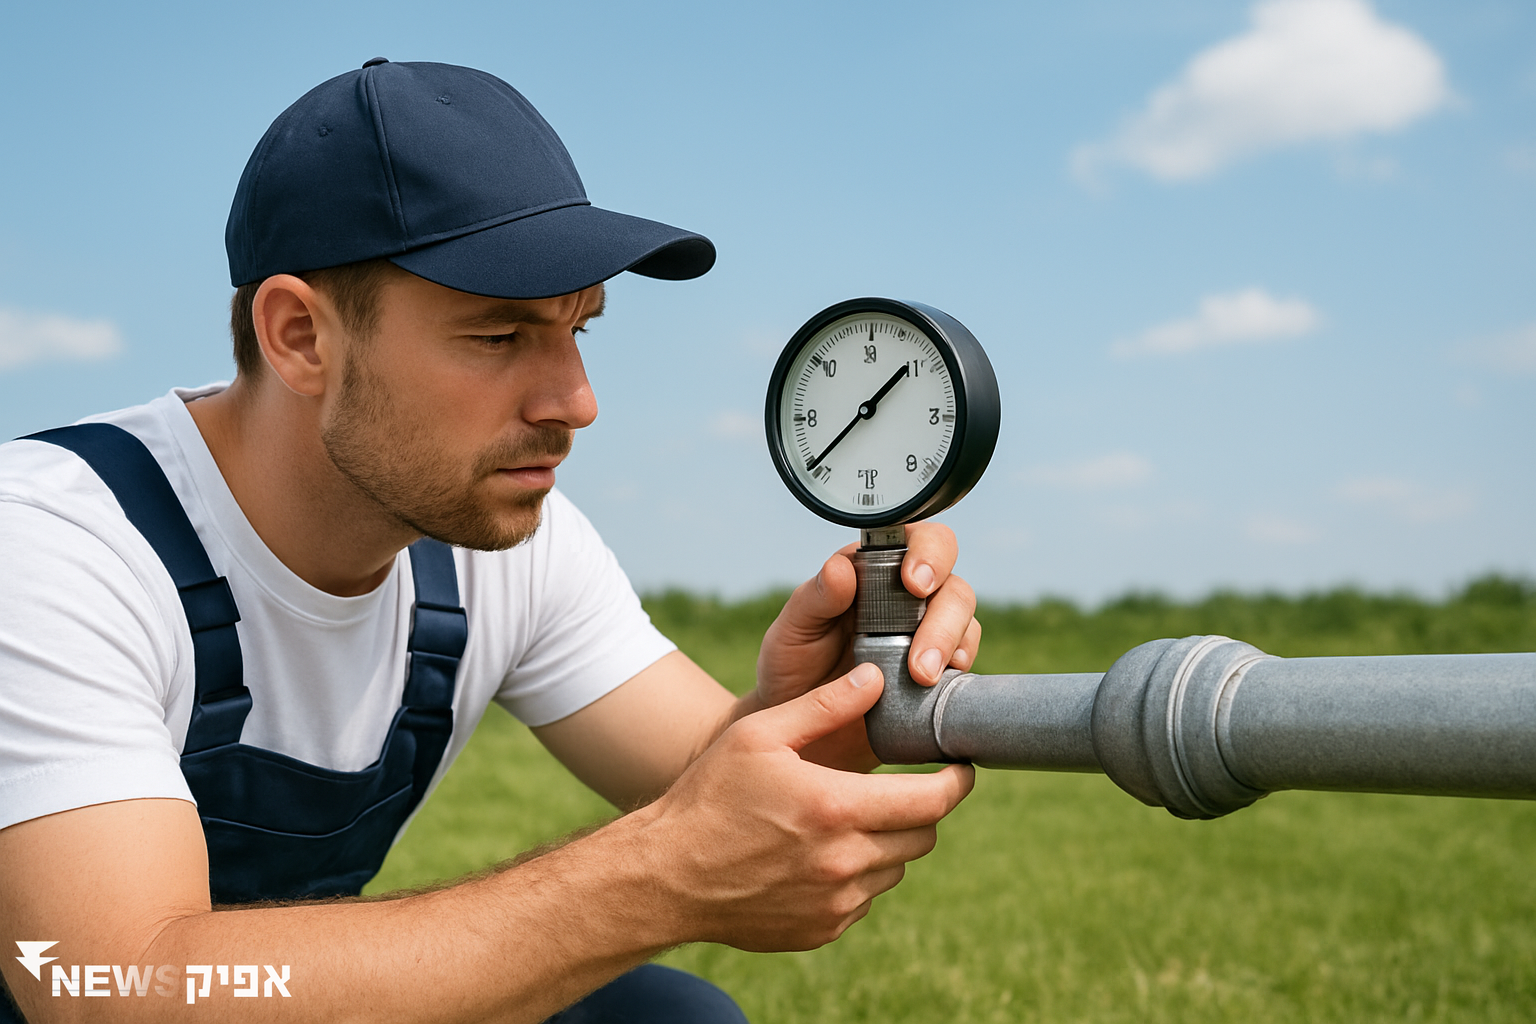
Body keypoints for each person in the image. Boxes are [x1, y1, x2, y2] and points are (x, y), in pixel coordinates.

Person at [0, 60, 980, 1023]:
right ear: (300, 335)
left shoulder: (497, 544)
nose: (577, 404)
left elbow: (712, 782)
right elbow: (112, 989)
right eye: (499, 337)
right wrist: (656, 875)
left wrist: (822, 704)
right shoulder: (54, 542)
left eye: (578, 330)